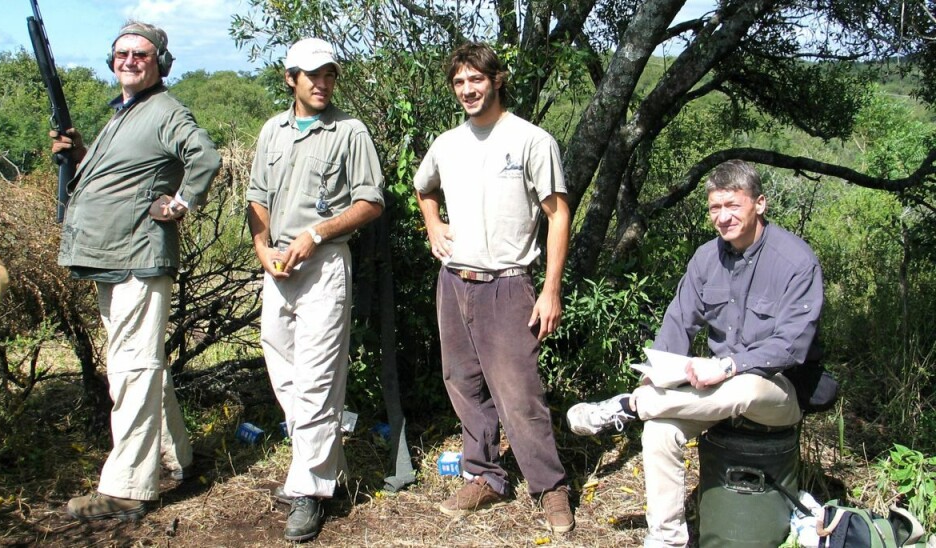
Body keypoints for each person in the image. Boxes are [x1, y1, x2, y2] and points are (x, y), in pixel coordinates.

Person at [566, 160, 824, 547]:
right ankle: (666, 537)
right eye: (715, 208)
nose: (723, 217)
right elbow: (678, 322)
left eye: (733, 206)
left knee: (746, 389)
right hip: (714, 391)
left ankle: (631, 406)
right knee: (659, 432)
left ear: (760, 204)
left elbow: (791, 345)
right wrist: (654, 373)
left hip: (776, 391)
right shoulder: (707, 258)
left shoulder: (796, 262)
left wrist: (728, 365)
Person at [52, 22, 222, 520]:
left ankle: (127, 488)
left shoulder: (165, 111)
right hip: (112, 257)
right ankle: (176, 457)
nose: (130, 60)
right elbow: (120, 177)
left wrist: (181, 203)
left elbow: (205, 158)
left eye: (141, 54)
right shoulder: (126, 113)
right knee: (143, 365)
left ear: (160, 63)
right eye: (122, 53)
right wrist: (79, 155)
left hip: (137, 259)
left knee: (132, 371)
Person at [413, 42, 575, 534]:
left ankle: (550, 489)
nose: (467, 89)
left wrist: (550, 291)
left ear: (497, 80)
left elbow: (558, 215)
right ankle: (483, 475)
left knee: (519, 394)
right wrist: (433, 226)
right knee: (462, 383)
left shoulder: (530, 140)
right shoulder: (447, 143)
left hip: (508, 284)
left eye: (476, 80)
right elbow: (424, 188)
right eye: (459, 82)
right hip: (454, 281)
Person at [245, 37, 384, 542]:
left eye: (329, 75)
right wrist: (262, 248)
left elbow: (371, 201)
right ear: (291, 79)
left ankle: (309, 490)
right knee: (282, 371)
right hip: (278, 267)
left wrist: (317, 233)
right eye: (312, 76)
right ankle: (326, 467)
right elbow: (257, 198)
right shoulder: (272, 131)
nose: (322, 83)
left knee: (318, 379)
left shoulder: (349, 131)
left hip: (324, 263)